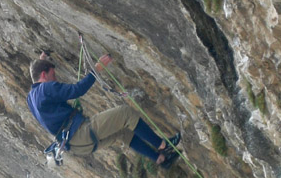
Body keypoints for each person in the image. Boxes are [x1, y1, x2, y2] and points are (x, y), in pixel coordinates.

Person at [27, 52, 180, 167]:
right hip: (82, 133)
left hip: (77, 146)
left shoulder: (31, 99)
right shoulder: (45, 89)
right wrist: (96, 69)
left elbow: (40, 81)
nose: (55, 78)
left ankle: (160, 159)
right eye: (53, 75)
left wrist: (42, 61)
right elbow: (77, 90)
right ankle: (163, 146)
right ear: (43, 75)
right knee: (125, 113)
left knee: (122, 131)